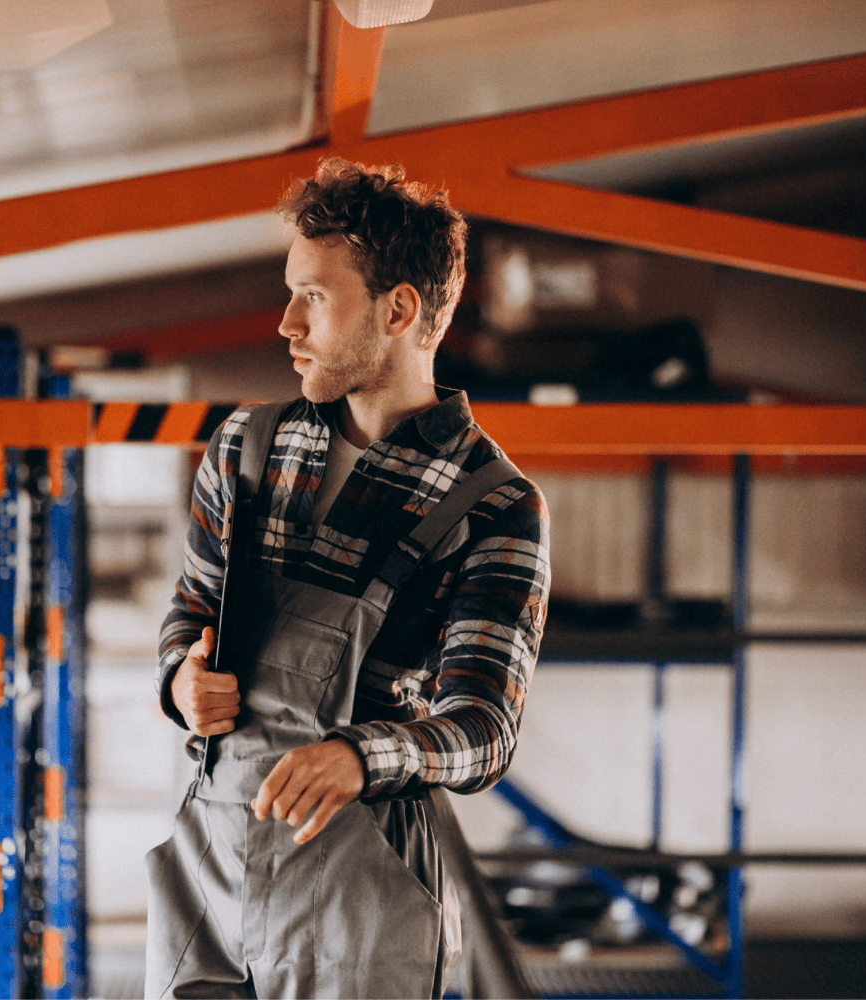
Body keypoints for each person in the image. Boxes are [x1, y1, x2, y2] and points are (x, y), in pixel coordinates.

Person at [146, 157, 551, 999]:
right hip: (210, 870)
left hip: (360, 892)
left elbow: (485, 728)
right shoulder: (247, 448)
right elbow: (190, 609)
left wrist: (362, 757)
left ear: (400, 309)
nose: (288, 324)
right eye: (292, 292)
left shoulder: (494, 506)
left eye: (316, 297)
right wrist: (181, 677)